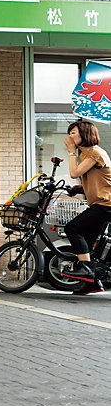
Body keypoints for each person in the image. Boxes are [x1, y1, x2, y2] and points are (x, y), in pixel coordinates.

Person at [62, 119, 111, 294]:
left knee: (73, 228)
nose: (70, 136)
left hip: (106, 204)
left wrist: (71, 153)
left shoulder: (94, 153)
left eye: (73, 132)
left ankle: (86, 269)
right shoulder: (87, 154)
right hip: (101, 203)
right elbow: (101, 179)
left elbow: (74, 172)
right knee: (88, 242)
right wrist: (79, 188)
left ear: (85, 134)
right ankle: (93, 283)